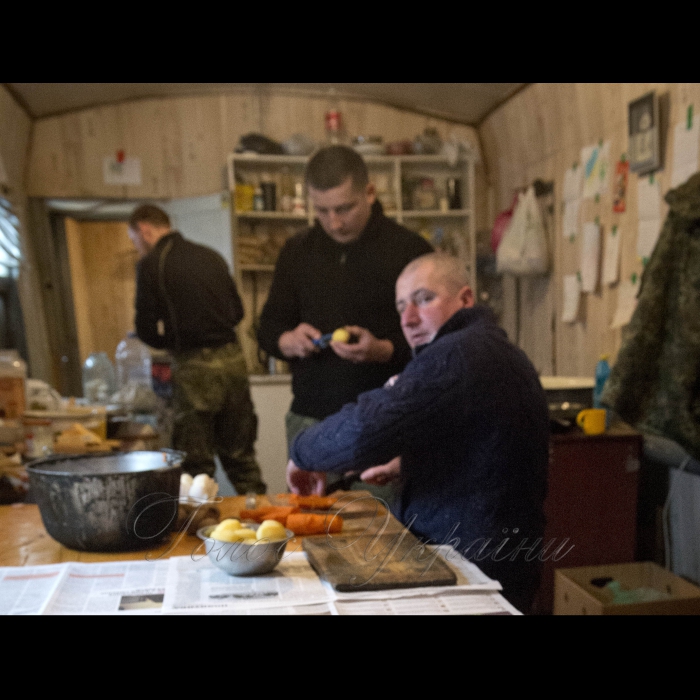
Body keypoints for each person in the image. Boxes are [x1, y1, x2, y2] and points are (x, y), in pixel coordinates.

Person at [286, 252, 550, 613]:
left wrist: (301, 451)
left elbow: (365, 430)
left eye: (424, 299)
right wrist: (409, 462)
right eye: (401, 307)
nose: (408, 319)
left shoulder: (458, 353)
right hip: (494, 564)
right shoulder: (491, 349)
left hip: (475, 572)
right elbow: (487, 447)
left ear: (466, 299)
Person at [257, 145, 433, 494]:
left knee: (379, 537)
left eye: (344, 208)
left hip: (382, 421)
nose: (334, 222)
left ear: (370, 192)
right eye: (321, 210)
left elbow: (436, 341)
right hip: (310, 419)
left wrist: (383, 350)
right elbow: (267, 330)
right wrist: (287, 341)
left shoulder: (409, 250)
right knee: (311, 531)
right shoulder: (296, 252)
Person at [127, 204, 267, 495]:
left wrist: (175, 342)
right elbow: (237, 312)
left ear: (144, 229)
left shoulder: (152, 264)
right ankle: (263, 524)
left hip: (193, 371)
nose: (137, 247)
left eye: (134, 240)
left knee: (195, 470)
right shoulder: (211, 257)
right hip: (234, 363)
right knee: (242, 460)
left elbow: (146, 329)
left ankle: (201, 534)